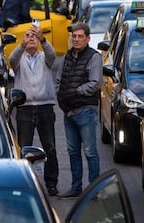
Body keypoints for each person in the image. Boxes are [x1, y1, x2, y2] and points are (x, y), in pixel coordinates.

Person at [9, 25, 59, 196]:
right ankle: (24, 181)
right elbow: (11, 59)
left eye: (34, 37)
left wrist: (43, 38)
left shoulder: (46, 57)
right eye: (28, 36)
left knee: (50, 146)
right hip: (25, 108)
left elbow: (52, 54)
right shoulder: (19, 60)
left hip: (45, 106)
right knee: (24, 147)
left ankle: (51, 183)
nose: (31, 39)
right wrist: (21, 45)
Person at [56, 22, 103, 199]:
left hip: (85, 111)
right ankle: (76, 187)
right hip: (69, 112)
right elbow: (59, 80)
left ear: (88, 38)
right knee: (73, 151)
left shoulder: (94, 57)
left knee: (90, 152)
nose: (76, 39)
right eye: (74, 36)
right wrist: (60, 94)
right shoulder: (68, 56)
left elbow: (96, 83)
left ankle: (94, 189)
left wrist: (75, 92)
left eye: (80, 36)